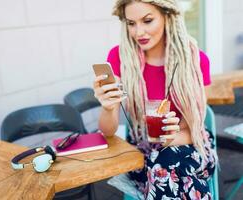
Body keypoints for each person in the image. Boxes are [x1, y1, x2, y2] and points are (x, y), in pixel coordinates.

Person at [93, 0, 217, 199]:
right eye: (131, 23)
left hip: (189, 143)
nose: (138, 32)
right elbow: (108, 131)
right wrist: (108, 108)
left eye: (147, 20)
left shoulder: (195, 60)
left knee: (168, 163)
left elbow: (194, 130)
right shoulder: (119, 57)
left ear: (167, 16)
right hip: (143, 147)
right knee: (169, 170)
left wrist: (170, 138)